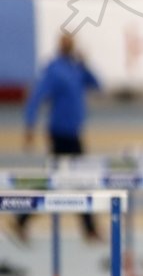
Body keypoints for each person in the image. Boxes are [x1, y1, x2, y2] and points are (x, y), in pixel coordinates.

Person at [11, 31, 102, 245]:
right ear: (61, 45)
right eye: (67, 42)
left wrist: (85, 63)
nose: (70, 45)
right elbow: (36, 98)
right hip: (60, 135)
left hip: (74, 133)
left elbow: (97, 85)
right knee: (60, 181)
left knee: (71, 180)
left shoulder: (76, 68)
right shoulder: (54, 70)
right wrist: (29, 127)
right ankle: (88, 230)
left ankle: (22, 221)